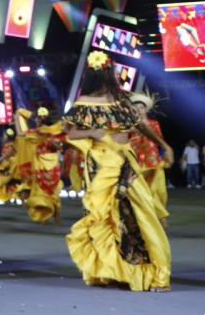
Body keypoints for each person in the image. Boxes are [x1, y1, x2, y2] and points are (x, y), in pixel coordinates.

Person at [64, 51, 172, 292]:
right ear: (102, 75)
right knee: (108, 218)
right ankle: (114, 271)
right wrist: (92, 132)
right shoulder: (84, 103)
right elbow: (70, 132)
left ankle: (156, 272)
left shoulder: (121, 101)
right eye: (109, 71)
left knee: (141, 212)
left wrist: (163, 145)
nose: (112, 75)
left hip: (125, 162)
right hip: (100, 166)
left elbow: (140, 125)